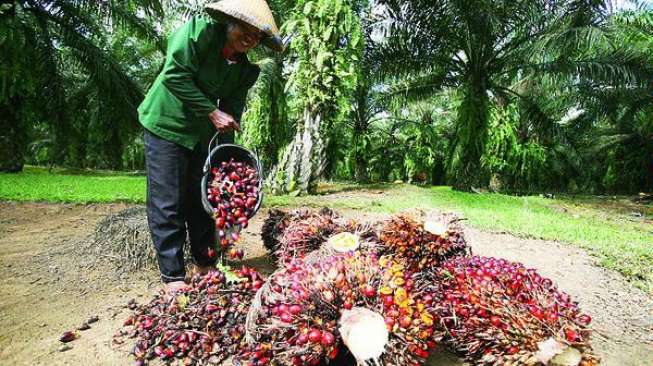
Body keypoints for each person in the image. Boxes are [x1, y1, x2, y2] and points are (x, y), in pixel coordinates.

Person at [138, 0, 283, 293]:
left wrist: (226, 159)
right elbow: (174, 75)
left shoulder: (245, 71)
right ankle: (173, 276)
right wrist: (212, 112)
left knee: (204, 197)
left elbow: (232, 112)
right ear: (230, 21)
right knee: (169, 201)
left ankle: (204, 262)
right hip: (166, 124)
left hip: (202, 136)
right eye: (246, 28)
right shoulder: (197, 33)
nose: (250, 38)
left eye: (257, 36)